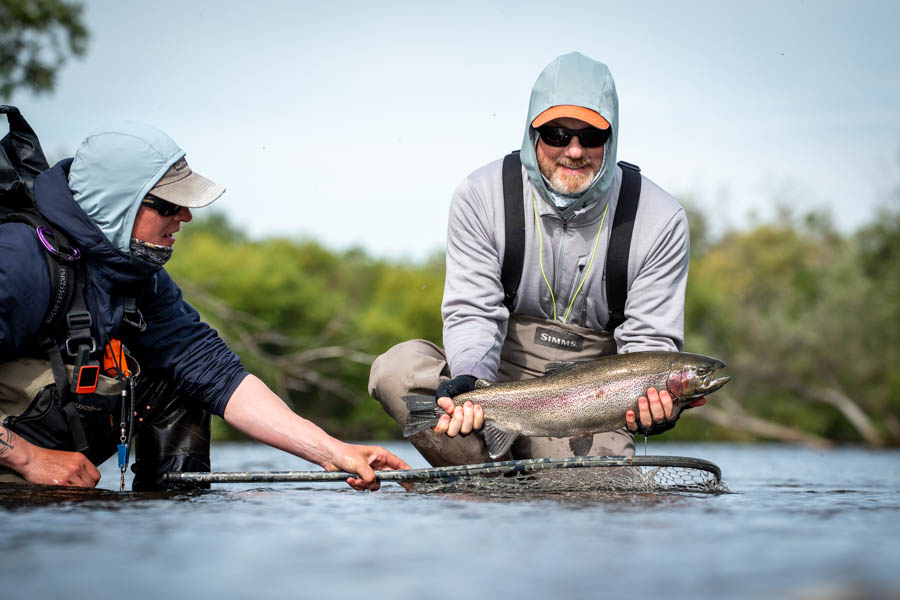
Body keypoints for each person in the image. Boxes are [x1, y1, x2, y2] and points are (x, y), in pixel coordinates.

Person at [0, 120, 409, 490]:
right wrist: (29, 457)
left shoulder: (139, 277)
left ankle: (168, 526)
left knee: (183, 383)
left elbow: (218, 377)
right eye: (167, 204)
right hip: (16, 453)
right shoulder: (18, 262)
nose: (186, 216)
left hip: (49, 444)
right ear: (115, 205)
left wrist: (333, 452)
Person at [369, 52, 704, 467]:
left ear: (612, 139)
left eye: (592, 137)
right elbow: (473, 313)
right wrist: (470, 381)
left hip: (592, 401)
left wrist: (654, 410)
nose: (575, 151)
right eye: (558, 134)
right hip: (495, 377)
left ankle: (520, 482)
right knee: (395, 371)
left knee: (587, 506)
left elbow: (650, 347)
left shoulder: (660, 218)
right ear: (532, 135)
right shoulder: (481, 195)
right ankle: (488, 479)